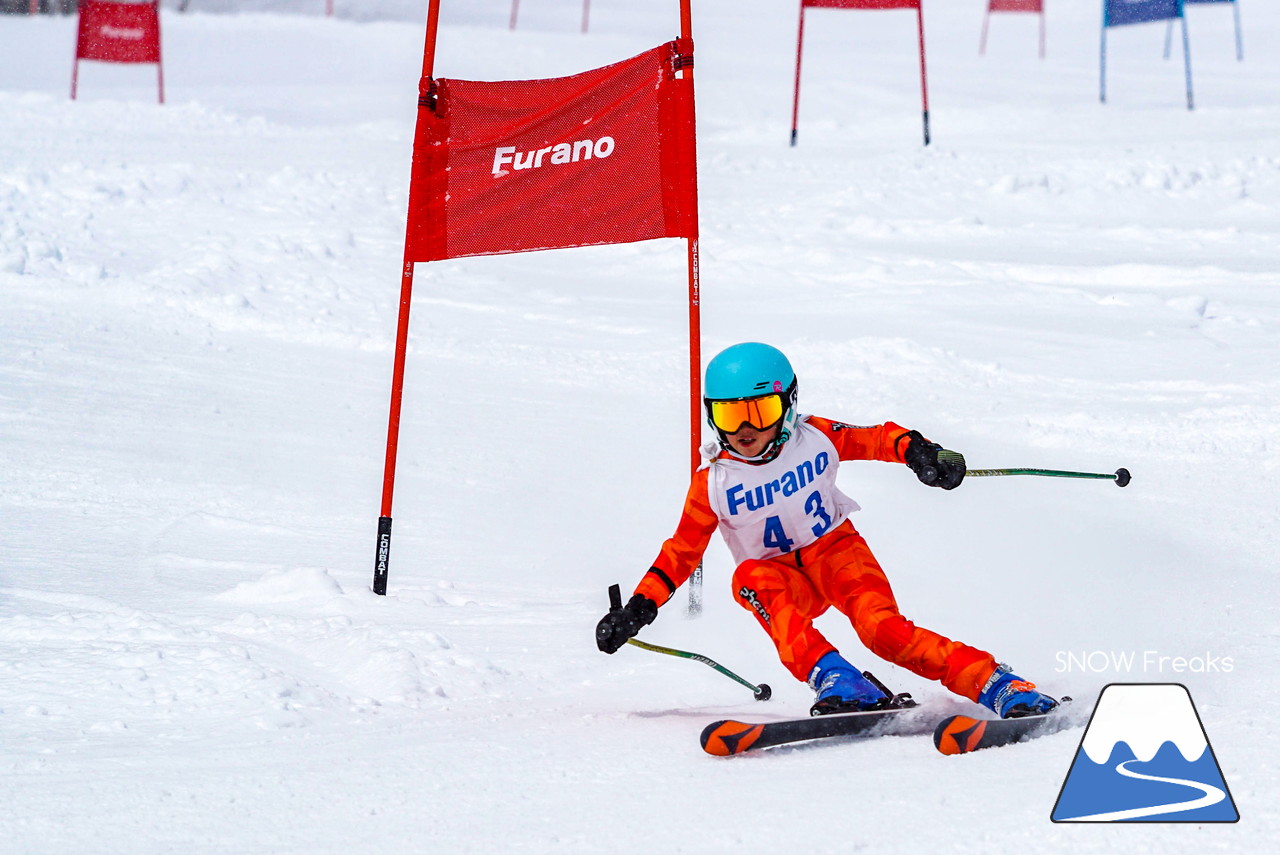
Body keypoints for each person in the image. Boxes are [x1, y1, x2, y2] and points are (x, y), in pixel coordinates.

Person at [595, 342, 1059, 719]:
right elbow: (680, 553)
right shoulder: (713, 483)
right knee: (748, 579)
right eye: (732, 416)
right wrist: (638, 609)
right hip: (782, 577)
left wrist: (923, 453)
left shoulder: (813, 436)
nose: (746, 430)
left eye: (761, 410)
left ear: (788, 403)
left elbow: (877, 437)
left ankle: (996, 682)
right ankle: (837, 677)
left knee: (883, 631)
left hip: (837, 552)